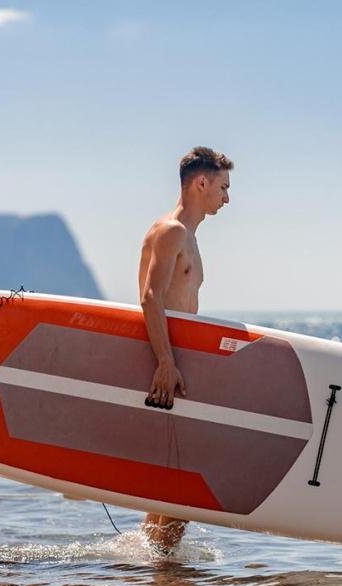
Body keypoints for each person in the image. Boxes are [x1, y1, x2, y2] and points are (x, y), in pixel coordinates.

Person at [137, 146, 233, 553]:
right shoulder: (171, 231)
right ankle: (166, 569)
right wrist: (165, 362)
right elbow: (150, 297)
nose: (227, 198)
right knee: (186, 477)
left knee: (172, 472)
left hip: (179, 362)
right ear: (201, 183)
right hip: (167, 364)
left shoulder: (188, 237)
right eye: (223, 188)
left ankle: (150, 565)